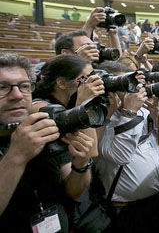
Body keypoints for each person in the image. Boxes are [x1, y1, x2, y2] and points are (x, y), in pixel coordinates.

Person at [0, 53, 94, 232]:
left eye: (24, 86)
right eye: (3, 87)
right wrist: (17, 155)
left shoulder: (46, 128)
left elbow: (73, 191)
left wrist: (81, 165)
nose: (17, 95)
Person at [94, 62, 159, 233]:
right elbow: (121, 156)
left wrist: (156, 114)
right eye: (124, 85)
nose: (132, 91)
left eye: (132, 83)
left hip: (154, 200)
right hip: (124, 209)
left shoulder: (142, 111)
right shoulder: (101, 121)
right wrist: (128, 113)